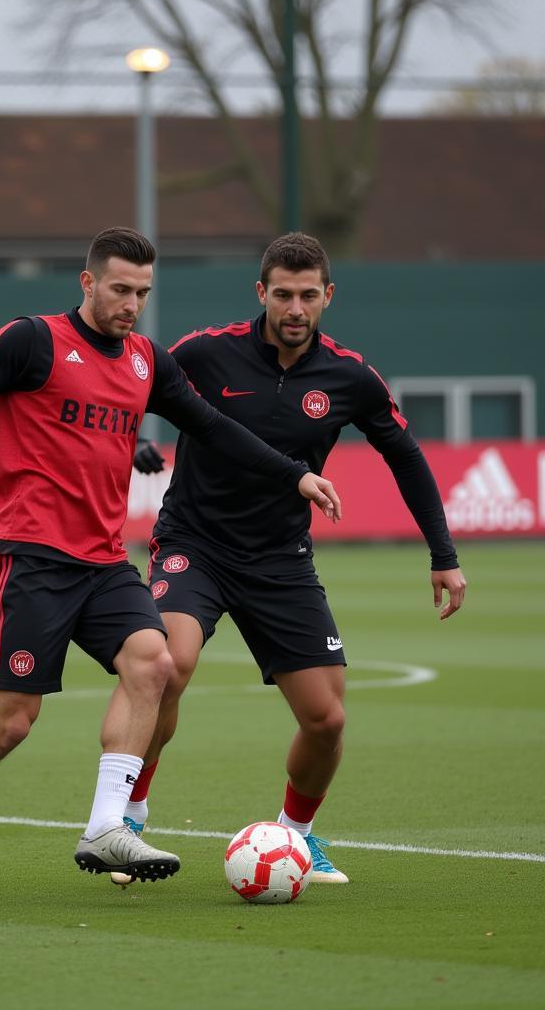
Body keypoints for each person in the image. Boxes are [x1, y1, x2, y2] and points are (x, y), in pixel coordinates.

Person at [0, 227, 343, 897]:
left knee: (154, 663)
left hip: (102, 560)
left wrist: (293, 474)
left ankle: (106, 825)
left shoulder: (146, 359)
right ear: (88, 283)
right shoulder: (31, 341)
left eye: (144, 293)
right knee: (12, 722)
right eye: (121, 289)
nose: (132, 304)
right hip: (28, 555)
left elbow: (212, 426)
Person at [128, 232, 467, 883]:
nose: (294, 307)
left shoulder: (351, 376)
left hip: (281, 560)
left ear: (327, 296)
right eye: (282, 294)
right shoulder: (207, 352)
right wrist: (136, 442)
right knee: (168, 666)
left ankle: (297, 837)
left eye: (308, 295)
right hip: (193, 545)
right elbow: (135, 388)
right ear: (261, 293)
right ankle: (130, 818)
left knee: (326, 718)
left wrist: (442, 554)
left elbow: (407, 458)